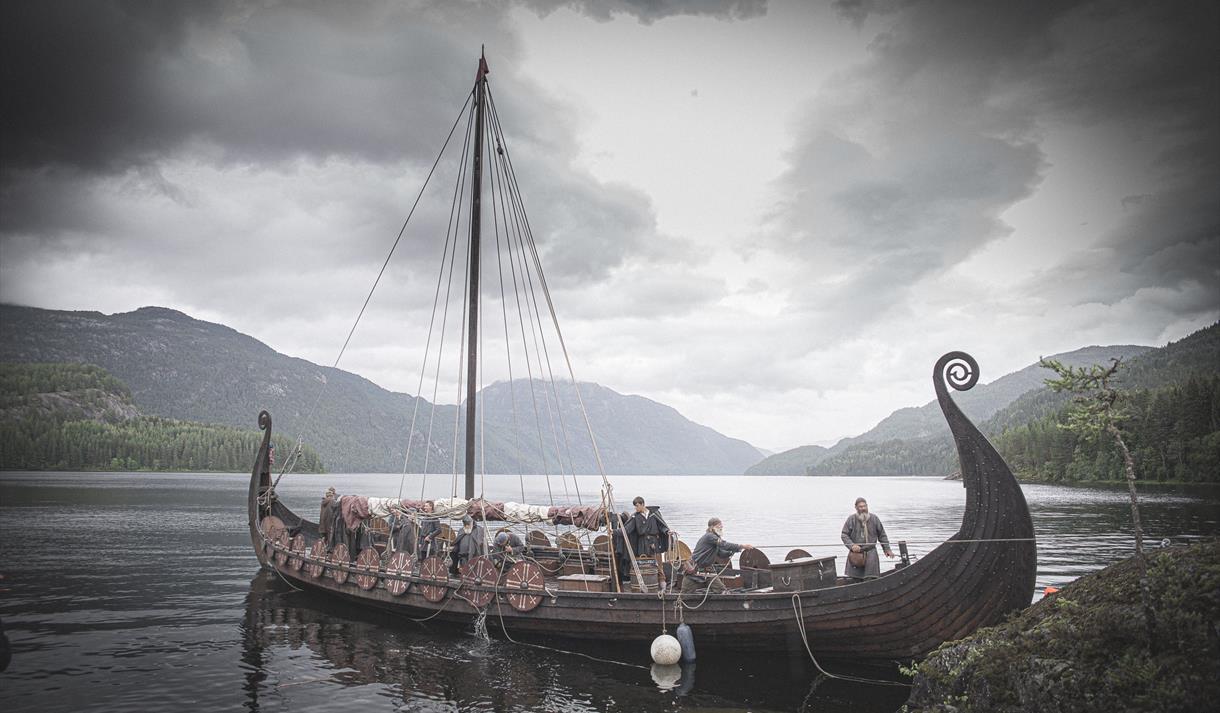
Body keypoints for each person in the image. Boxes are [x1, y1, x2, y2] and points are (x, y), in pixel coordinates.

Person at [680, 517, 754, 594]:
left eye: (721, 525)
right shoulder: (710, 536)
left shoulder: (714, 539)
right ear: (712, 527)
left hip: (708, 570)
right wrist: (741, 546)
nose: (721, 526)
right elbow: (724, 544)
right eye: (719, 525)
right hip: (695, 569)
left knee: (721, 590)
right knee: (685, 593)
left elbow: (721, 553)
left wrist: (733, 551)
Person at [623, 496, 672, 591]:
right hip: (642, 544)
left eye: (637, 506)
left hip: (654, 542)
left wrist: (667, 531)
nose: (636, 508)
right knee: (645, 564)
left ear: (642, 504)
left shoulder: (654, 514)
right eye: (635, 506)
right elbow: (627, 529)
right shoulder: (635, 517)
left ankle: (662, 582)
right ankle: (646, 584)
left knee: (658, 564)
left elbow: (661, 526)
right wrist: (615, 532)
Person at [840, 497, 894, 579]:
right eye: (860, 507)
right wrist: (852, 546)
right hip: (856, 554)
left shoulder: (874, 519)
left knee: (871, 577)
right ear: (856, 507)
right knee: (854, 578)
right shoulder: (851, 519)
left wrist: (887, 549)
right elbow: (844, 535)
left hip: (871, 553)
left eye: (864, 506)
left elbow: (882, 535)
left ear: (867, 506)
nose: (863, 508)